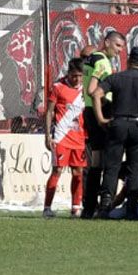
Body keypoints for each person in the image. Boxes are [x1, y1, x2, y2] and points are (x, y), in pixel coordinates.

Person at [92, 47, 138, 219]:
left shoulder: (116, 78)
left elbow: (96, 94)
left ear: (128, 60)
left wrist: (100, 118)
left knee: (112, 167)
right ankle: (132, 209)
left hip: (118, 123)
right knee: (135, 169)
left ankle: (105, 206)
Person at [79, 31, 125, 218]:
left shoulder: (91, 58)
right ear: (106, 42)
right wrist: (108, 107)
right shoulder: (102, 62)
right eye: (117, 46)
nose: (120, 51)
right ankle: (104, 205)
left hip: (89, 111)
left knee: (96, 160)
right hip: (101, 111)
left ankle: (88, 207)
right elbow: (93, 90)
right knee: (110, 160)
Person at [43, 58, 88, 218]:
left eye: (80, 76)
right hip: (61, 137)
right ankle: (47, 208)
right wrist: (48, 135)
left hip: (79, 138)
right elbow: (49, 111)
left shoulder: (85, 89)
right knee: (57, 170)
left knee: (78, 172)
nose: (77, 79)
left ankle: (75, 207)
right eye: (74, 75)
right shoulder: (58, 87)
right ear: (68, 73)